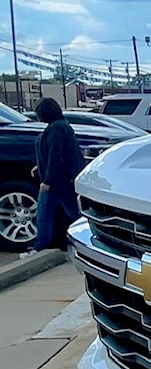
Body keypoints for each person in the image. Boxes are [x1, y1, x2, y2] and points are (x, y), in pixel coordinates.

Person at [28, 98, 85, 253]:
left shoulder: (55, 129)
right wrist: (39, 167)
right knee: (73, 212)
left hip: (57, 181)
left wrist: (47, 180)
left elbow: (56, 154)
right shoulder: (61, 125)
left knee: (44, 214)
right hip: (64, 180)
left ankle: (39, 247)